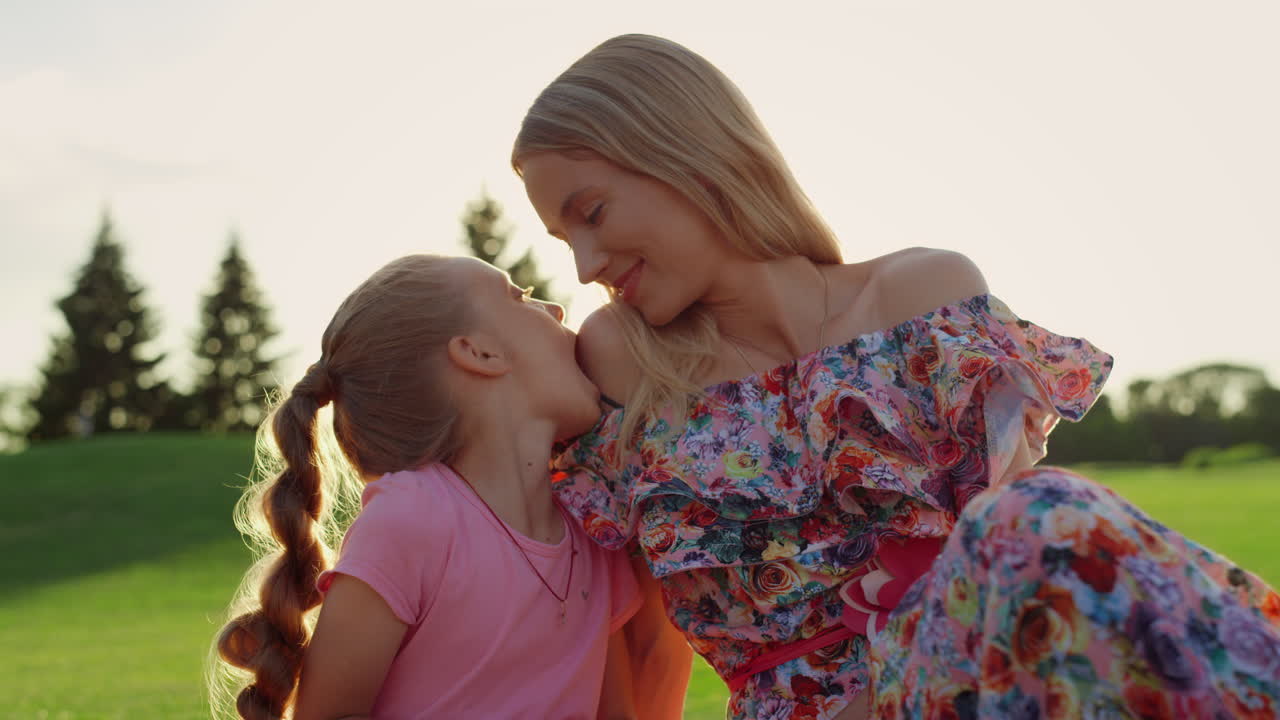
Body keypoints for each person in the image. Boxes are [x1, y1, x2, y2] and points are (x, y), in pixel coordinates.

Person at [513, 34, 1280, 719]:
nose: (584, 266)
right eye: (562, 237)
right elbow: (634, 635)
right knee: (1042, 514)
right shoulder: (622, 358)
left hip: (989, 683)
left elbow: (1024, 575)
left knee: (1036, 518)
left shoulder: (925, 300)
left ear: (685, 156)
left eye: (593, 213)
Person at [209, 255, 645, 720]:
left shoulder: (593, 529)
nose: (556, 310)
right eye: (521, 297)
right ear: (479, 352)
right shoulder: (412, 518)